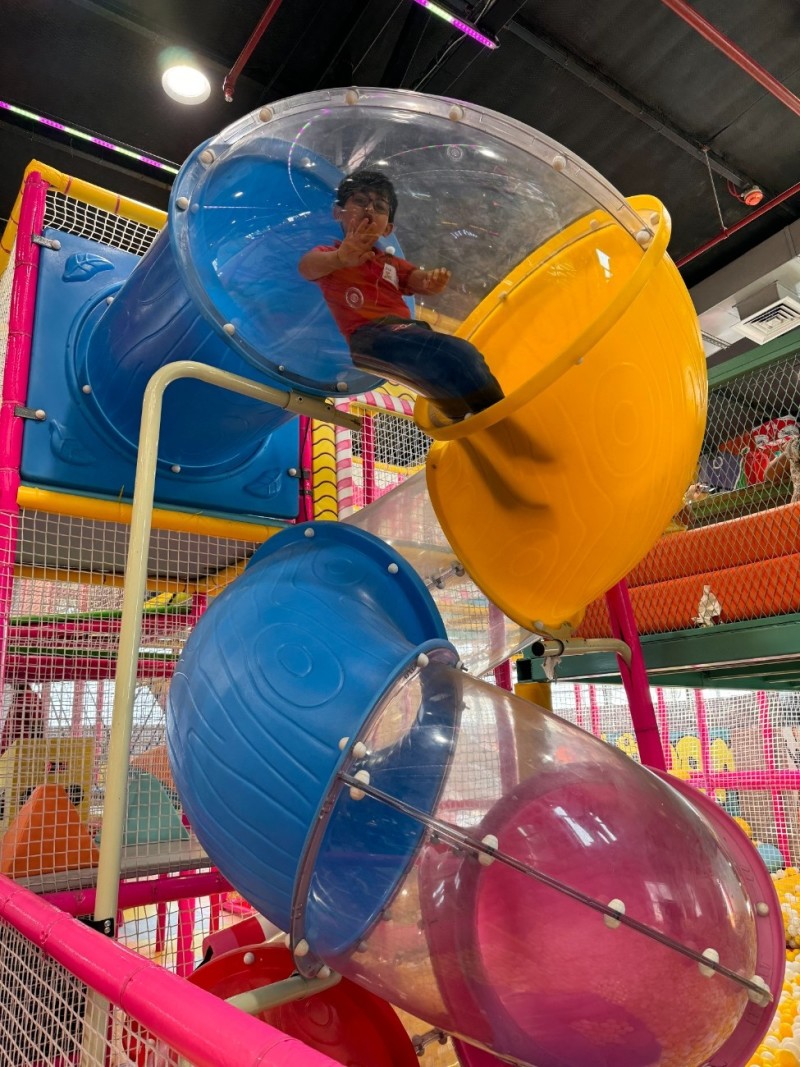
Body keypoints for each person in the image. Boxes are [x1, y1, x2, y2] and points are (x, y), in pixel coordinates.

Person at [298, 169, 504, 420]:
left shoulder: (389, 262)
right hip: (370, 338)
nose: (369, 209)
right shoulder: (331, 254)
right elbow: (307, 267)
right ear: (338, 212)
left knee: (445, 371)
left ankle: (465, 418)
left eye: (379, 207)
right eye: (360, 201)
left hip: (404, 331)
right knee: (460, 355)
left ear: (388, 228)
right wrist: (339, 258)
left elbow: (415, 278)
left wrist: (430, 281)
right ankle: (495, 416)